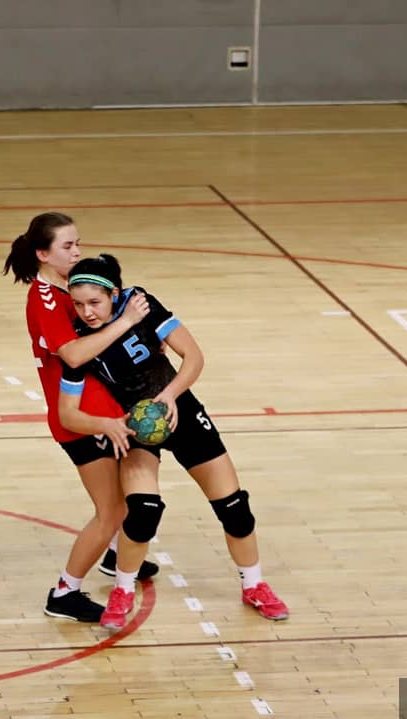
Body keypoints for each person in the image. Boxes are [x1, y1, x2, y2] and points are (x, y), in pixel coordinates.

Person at [58, 254, 290, 629]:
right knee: (143, 512)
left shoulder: (141, 303)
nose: (87, 312)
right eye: (79, 304)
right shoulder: (79, 341)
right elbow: (67, 414)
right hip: (135, 427)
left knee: (235, 508)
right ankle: (122, 591)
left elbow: (193, 357)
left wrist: (170, 395)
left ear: (114, 294)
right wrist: (108, 424)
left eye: (95, 302)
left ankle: (254, 585)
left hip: (180, 410)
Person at [3, 213, 160, 624]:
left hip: (106, 409)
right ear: (43, 254)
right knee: (110, 510)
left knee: (125, 500)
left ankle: (114, 555)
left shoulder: (73, 290)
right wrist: (126, 322)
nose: (76, 252)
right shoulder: (45, 299)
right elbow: (72, 355)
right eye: (67, 246)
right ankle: (64, 592)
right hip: (80, 419)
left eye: (78, 244)